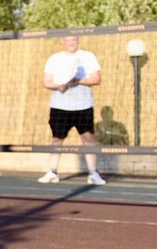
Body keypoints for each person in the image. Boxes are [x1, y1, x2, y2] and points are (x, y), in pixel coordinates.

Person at [38, 36, 106, 185]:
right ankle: (53, 172)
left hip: (83, 106)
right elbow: (46, 81)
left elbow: (96, 79)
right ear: (62, 41)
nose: (71, 43)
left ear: (78, 40)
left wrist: (76, 81)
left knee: (88, 138)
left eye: (73, 40)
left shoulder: (87, 56)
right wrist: (59, 85)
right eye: (67, 40)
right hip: (60, 106)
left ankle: (93, 173)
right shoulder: (54, 59)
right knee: (57, 139)